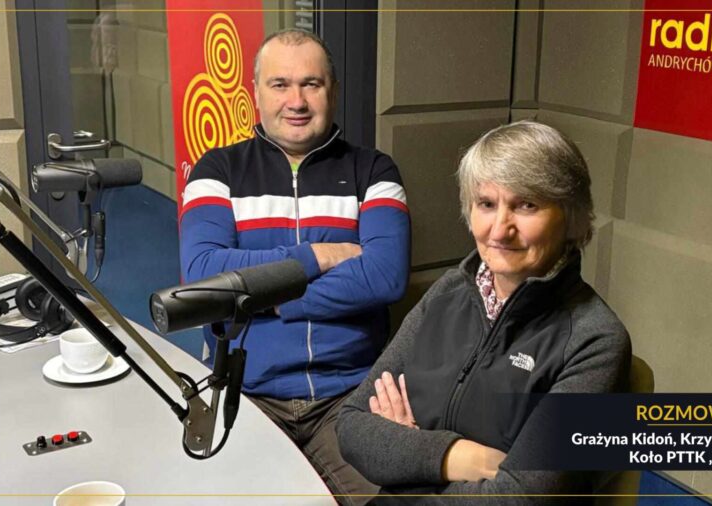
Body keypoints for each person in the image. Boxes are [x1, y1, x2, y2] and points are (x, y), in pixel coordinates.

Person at [336, 120, 631, 502]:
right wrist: (457, 457)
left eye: (527, 205)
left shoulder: (596, 340)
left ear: (571, 217)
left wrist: (404, 450)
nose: (499, 230)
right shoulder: (448, 292)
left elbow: (520, 496)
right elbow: (353, 426)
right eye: (487, 204)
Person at [180, 29, 409, 505]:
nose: (297, 101)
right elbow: (202, 275)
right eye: (280, 84)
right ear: (255, 93)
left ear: (333, 91)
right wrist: (319, 256)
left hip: (349, 395)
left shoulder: (375, 171)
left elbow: (384, 276)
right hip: (247, 394)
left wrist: (263, 297)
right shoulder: (216, 171)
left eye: (311, 84)